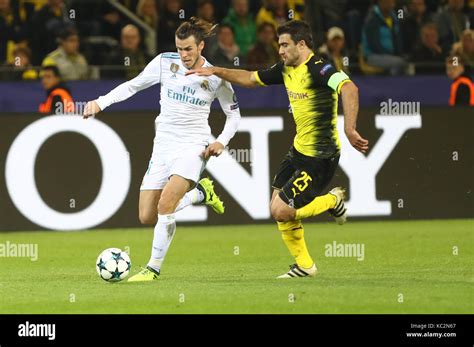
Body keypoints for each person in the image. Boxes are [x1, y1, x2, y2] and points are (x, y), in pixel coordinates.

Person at [187, 20, 368, 279]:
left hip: (320, 156)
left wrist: (350, 128)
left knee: (281, 210)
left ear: (301, 44)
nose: (280, 50)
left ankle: (332, 200)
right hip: (298, 150)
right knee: (277, 208)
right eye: (279, 45)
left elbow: (350, 88)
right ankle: (305, 265)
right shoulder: (285, 69)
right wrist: (215, 70)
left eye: (285, 45)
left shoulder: (320, 68)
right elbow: (250, 78)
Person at [83, 17, 242, 282]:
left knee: (166, 205)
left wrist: (221, 141)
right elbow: (133, 85)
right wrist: (101, 102)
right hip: (163, 146)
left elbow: (234, 116)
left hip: (194, 146)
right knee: (147, 215)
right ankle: (201, 193)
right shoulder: (163, 62)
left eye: (189, 49)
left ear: (201, 46)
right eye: (180, 49)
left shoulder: (215, 77)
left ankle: (152, 268)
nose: (183, 55)